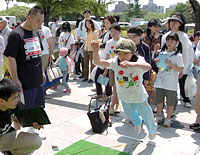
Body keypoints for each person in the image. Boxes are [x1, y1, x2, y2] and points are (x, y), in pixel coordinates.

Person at [91, 39, 157, 140]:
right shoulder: (115, 62)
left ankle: (152, 131)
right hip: (124, 96)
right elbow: (98, 61)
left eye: (125, 53)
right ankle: (137, 123)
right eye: (120, 53)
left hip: (138, 95)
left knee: (146, 114)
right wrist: (95, 50)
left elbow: (148, 66)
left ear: (132, 53)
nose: (122, 56)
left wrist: (132, 64)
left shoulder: (139, 60)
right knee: (130, 114)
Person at [4, 5, 46, 109]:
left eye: (42, 21)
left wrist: (42, 72)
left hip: (38, 81)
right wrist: (16, 80)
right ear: (29, 18)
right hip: (25, 83)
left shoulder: (36, 33)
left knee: (37, 112)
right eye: (38, 21)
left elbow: (38, 55)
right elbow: (11, 58)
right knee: (21, 114)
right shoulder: (16, 34)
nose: (40, 25)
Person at [0, 78, 42, 155]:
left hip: (8, 135)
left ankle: (10, 153)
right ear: (1, 101)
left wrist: (35, 123)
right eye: (14, 98)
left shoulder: (15, 104)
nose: (17, 100)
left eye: (17, 96)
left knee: (36, 141)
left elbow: (26, 117)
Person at [162, 13, 194, 108]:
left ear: (180, 24)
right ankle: (171, 105)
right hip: (168, 64)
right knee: (169, 85)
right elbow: (164, 51)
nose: (173, 24)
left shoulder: (183, 36)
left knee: (182, 84)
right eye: (171, 21)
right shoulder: (165, 36)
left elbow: (186, 53)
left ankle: (185, 99)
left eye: (176, 22)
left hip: (179, 64)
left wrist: (183, 68)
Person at [155, 33, 184, 127]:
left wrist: (170, 64)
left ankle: (168, 118)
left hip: (171, 84)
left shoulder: (178, 55)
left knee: (170, 103)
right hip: (160, 82)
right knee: (159, 101)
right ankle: (159, 117)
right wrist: (157, 61)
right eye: (168, 41)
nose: (169, 43)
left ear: (177, 43)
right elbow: (158, 67)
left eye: (172, 41)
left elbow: (180, 69)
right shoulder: (162, 53)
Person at [92, 16, 116, 101]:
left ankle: (107, 95)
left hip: (108, 59)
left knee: (107, 79)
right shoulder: (106, 33)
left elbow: (108, 46)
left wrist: (100, 45)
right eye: (105, 23)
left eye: (107, 23)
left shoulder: (112, 34)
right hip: (102, 58)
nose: (105, 25)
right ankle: (99, 93)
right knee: (97, 77)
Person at [104, 23, 124, 114]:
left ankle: (112, 106)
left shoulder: (123, 42)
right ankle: (117, 104)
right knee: (114, 87)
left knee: (116, 88)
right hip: (112, 67)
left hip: (121, 67)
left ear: (119, 32)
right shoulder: (109, 42)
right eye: (111, 32)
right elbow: (107, 56)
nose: (113, 34)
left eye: (115, 32)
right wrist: (106, 69)